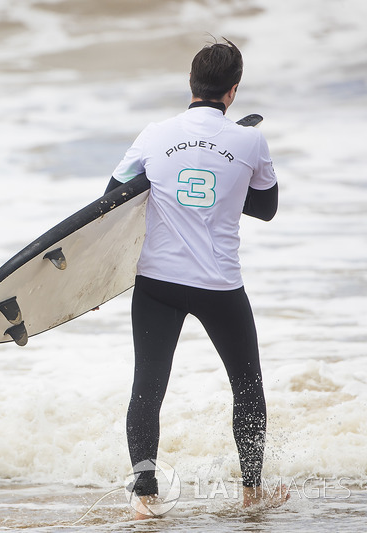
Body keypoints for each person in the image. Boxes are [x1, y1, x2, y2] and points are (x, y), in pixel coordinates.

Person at [106, 39, 288, 516]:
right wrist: (227, 192)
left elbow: (113, 197)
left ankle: (145, 499)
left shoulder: (154, 133)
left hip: (157, 284)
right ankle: (251, 493)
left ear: (191, 85)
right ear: (233, 91)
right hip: (220, 286)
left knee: (147, 387)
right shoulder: (250, 140)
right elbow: (266, 208)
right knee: (247, 386)